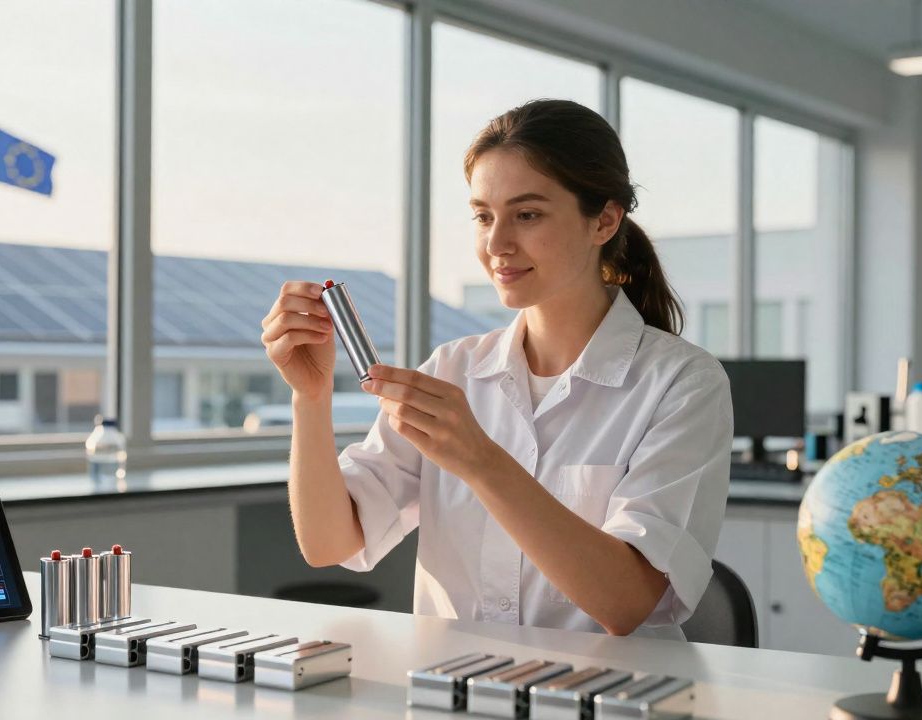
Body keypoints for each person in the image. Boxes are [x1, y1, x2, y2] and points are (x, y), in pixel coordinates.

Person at [260, 99, 732, 640]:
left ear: (603, 220)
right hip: (456, 695)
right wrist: (310, 399)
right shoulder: (454, 369)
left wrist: (481, 461)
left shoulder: (682, 384)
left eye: (527, 215)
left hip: (605, 703)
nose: (496, 244)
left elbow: (624, 603)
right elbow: (329, 543)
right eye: (483, 215)